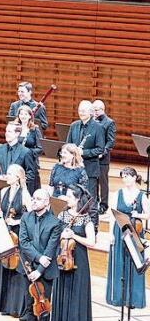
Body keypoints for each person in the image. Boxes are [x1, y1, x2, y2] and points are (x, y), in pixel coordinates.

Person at [50, 185, 95, 321]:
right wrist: (61, 234)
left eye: (69, 196)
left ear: (77, 199)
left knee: (77, 296)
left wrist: (74, 236)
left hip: (79, 262)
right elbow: (54, 235)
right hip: (62, 258)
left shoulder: (86, 219)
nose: (66, 198)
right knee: (62, 294)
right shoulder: (62, 215)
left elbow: (92, 242)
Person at [18, 188, 62, 321]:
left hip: (46, 271)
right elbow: (23, 242)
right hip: (28, 267)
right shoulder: (25, 217)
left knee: (44, 307)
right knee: (30, 306)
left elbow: (50, 249)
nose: (34, 201)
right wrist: (38, 257)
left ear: (47, 202)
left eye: (38, 199)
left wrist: (40, 270)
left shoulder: (55, 223)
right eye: (33, 198)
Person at [106, 167, 148, 309]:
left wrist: (138, 215)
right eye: (123, 177)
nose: (125, 179)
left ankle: (133, 299)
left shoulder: (142, 196)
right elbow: (112, 214)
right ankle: (118, 297)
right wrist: (110, 233)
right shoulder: (117, 193)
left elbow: (148, 215)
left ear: (135, 177)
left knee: (134, 263)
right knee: (119, 262)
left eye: (128, 176)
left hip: (135, 232)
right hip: (119, 231)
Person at [0, 164, 31, 317]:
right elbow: (0, 212)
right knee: (4, 267)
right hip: (5, 233)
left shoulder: (25, 194)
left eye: (9, 174)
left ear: (17, 177)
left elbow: (30, 217)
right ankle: (4, 305)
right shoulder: (3, 191)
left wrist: (16, 222)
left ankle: (16, 307)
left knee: (17, 269)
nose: (6, 176)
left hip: (17, 234)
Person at [65, 100, 105, 199]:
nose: (81, 113)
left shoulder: (98, 127)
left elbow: (100, 149)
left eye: (83, 111)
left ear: (91, 112)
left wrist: (83, 152)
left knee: (89, 199)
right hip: (74, 168)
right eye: (79, 110)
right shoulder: (74, 125)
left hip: (90, 169)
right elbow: (68, 145)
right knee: (74, 197)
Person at [0, 123, 37, 194]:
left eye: (9, 131)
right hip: (2, 189)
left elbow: (31, 174)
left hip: (18, 191)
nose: (6, 134)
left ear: (17, 134)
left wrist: (17, 180)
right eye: (6, 131)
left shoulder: (25, 152)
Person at [13, 105, 43, 193]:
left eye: (25, 114)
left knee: (30, 190)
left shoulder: (35, 129)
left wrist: (27, 153)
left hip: (30, 164)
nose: (23, 116)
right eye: (21, 114)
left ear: (30, 116)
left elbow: (40, 148)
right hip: (17, 163)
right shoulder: (15, 128)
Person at [93, 99, 116, 214]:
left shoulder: (109, 122)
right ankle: (94, 202)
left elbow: (110, 141)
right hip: (92, 157)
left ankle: (103, 205)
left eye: (96, 110)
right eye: (93, 110)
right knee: (93, 181)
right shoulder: (92, 121)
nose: (94, 112)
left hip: (102, 159)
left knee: (103, 182)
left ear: (102, 109)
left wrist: (103, 152)